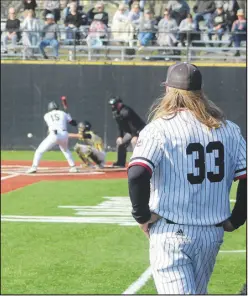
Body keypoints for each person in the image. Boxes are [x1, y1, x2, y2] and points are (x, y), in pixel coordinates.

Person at [127, 62, 246, 294]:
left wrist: (141, 215)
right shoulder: (229, 129)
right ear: (200, 92)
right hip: (211, 234)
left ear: (169, 90)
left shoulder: (159, 128)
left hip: (171, 232)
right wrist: (238, 218)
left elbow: (137, 173)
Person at [27, 101, 78, 174]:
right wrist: (69, 117)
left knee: (39, 151)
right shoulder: (63, 113)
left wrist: (67, 116)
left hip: (54, 135)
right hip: (64, 135)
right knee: (66, 150)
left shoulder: (46, 115)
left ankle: (34, 167)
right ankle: (73, 167)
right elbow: (74, 123)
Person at [109, 97, 145, 168]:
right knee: (120, 143)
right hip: (131, 132)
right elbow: (120, 125)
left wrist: (135, 135)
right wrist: (120, 136)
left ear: (119, 104)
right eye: (112, 105)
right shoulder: (116, 112)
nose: (113, 106)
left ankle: (138, 163)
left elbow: (133, 124)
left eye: (114, 104)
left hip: (140, 130)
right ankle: (120, 163)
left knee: (134, 142)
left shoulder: (126, 111)